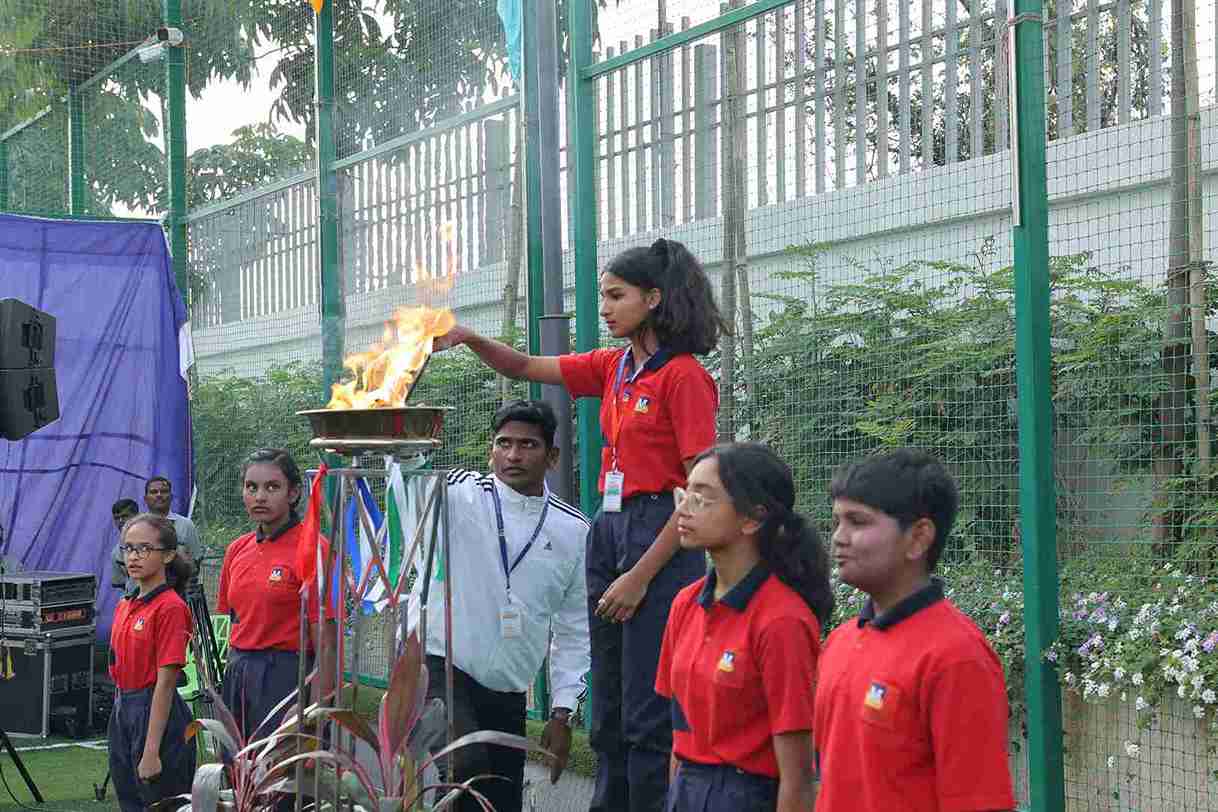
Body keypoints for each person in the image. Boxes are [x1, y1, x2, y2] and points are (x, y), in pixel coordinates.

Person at [436, 237, 727, 812]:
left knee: (647, 708)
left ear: (653, 299)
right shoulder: (612, 367)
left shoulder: (684, 376)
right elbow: (524, 366)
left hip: (661, 533)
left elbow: (698, 492)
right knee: (610, 708)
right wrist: (467, 337)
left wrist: (641, 576)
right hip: (610, 527)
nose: (606, 308)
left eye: (617, 296)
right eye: (604, 296)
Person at [814, 449, 1015, 812]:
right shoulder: (840, 642)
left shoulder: (957, 656)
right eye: (836, 522)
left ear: (919, 538)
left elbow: (979, 801)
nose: (839, 538)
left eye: (857, 522)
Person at [418, 400, 590, 812]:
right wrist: (408, 450)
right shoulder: (460, 493)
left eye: (528, 445)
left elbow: (575, 628)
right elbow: (413, 486)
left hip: (509, 687)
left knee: (500, 798)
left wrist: (562, 712)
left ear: (552, 457)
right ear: (490, 451)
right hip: (441, 668)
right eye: (504, 443)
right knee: (464, 769)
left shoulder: (573, 531)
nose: (513, 455)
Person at [656, 443, 829, 812]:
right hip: (688, 788)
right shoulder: (685, 604)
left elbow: (798, 778)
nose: (683, 510)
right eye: (684, 494)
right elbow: (680, 733)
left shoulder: (783, 621)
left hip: (747, 795)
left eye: (702, 498)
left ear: (752, 518)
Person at [216, 449, 336, 741]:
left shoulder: (314, 548)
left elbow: (327, 644)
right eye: (251, 487)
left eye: (272, 487)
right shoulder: (237, 550)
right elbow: (233, 621)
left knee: (282, 767)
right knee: (237, 765)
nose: (260, 497)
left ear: (293, 493)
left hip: (287, 679)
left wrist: (314, 711)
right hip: (238, 676)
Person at [107, 513, 197, 812]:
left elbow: (166, 683)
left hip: (158, 715)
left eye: (144, 548)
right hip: (124, 708)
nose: (134, 556)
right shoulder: (125, 604)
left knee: (161, 803)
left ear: (168, 555)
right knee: (130, 800)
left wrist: (151, 750)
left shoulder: (171, 607)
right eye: (129, 548)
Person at [144, 476, 205, 589]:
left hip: (178, 590)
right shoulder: (137, 526)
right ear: (145, 498)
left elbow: (196, 560)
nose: (159, 495)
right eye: (153, 492)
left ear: (171, 497)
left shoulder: (186, 525)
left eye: (164, 491)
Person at [110, 498, 141, 593]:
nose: (121, 521)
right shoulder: (116, 553)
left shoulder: (154, 540)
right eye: (117, 518)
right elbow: (122, 585)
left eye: (125, 516)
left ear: (137, 516)